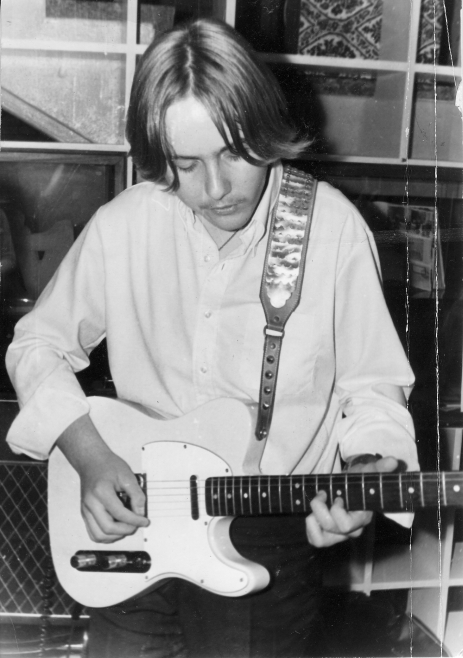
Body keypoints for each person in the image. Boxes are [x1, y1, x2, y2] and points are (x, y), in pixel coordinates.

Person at [5, 18, 419, 658]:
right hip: (135, 519)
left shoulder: (330, 230)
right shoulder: (125, 225)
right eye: (186, 164)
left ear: (263, 128)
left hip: (269, 535)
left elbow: (371, 389)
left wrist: (365, 477)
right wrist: (88, 455)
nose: (217, 188)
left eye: (234, 152)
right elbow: (37, 345)